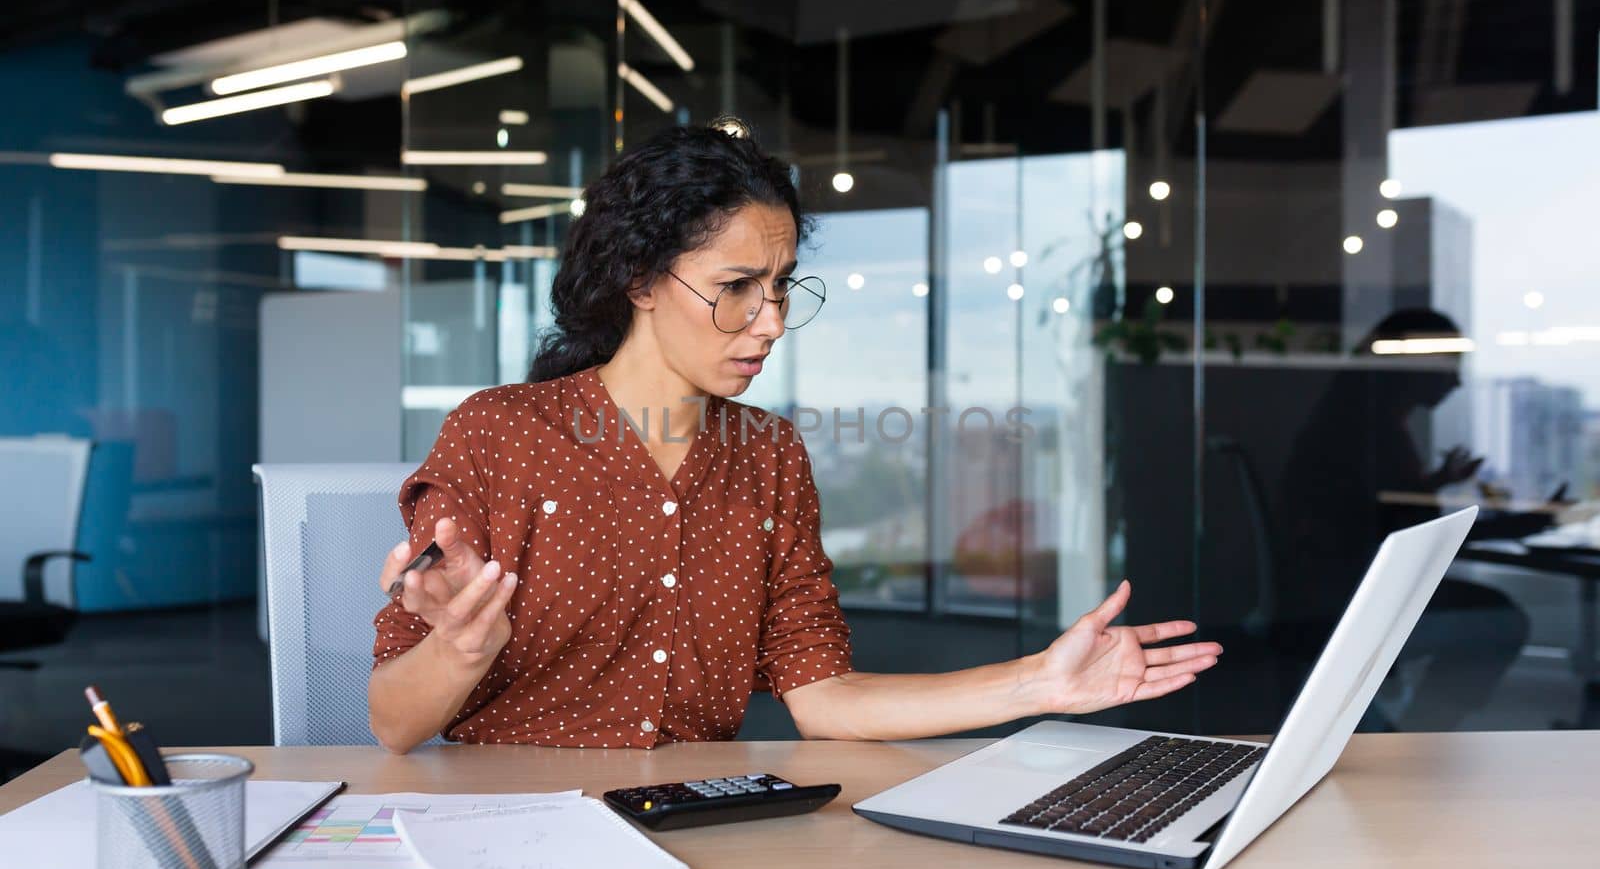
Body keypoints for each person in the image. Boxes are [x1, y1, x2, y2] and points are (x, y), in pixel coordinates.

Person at [367, 120, 1221, 754]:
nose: (769, 321)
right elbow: (392, 724)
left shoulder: (769, 455)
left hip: (694, 825)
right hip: (509, 824)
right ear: (639, 279)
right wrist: (458, 648)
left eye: (780, 287)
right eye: (736, 286)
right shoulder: (500, 434)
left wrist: (1036, 681)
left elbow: (823, 696)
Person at [1276, 308, 1533, 730]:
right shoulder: (1373, 434)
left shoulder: (1355, 423)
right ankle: (1423, 733)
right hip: (1346, 602)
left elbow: (1381, 512)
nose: (1456, 381)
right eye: (1451, 365)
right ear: (1415, 366)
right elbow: (1397, 527)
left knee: (1493, 613)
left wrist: (1436, 482)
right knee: (1503, 622)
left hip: (1334, 591)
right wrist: (1515, 527)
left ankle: (1418, 732)